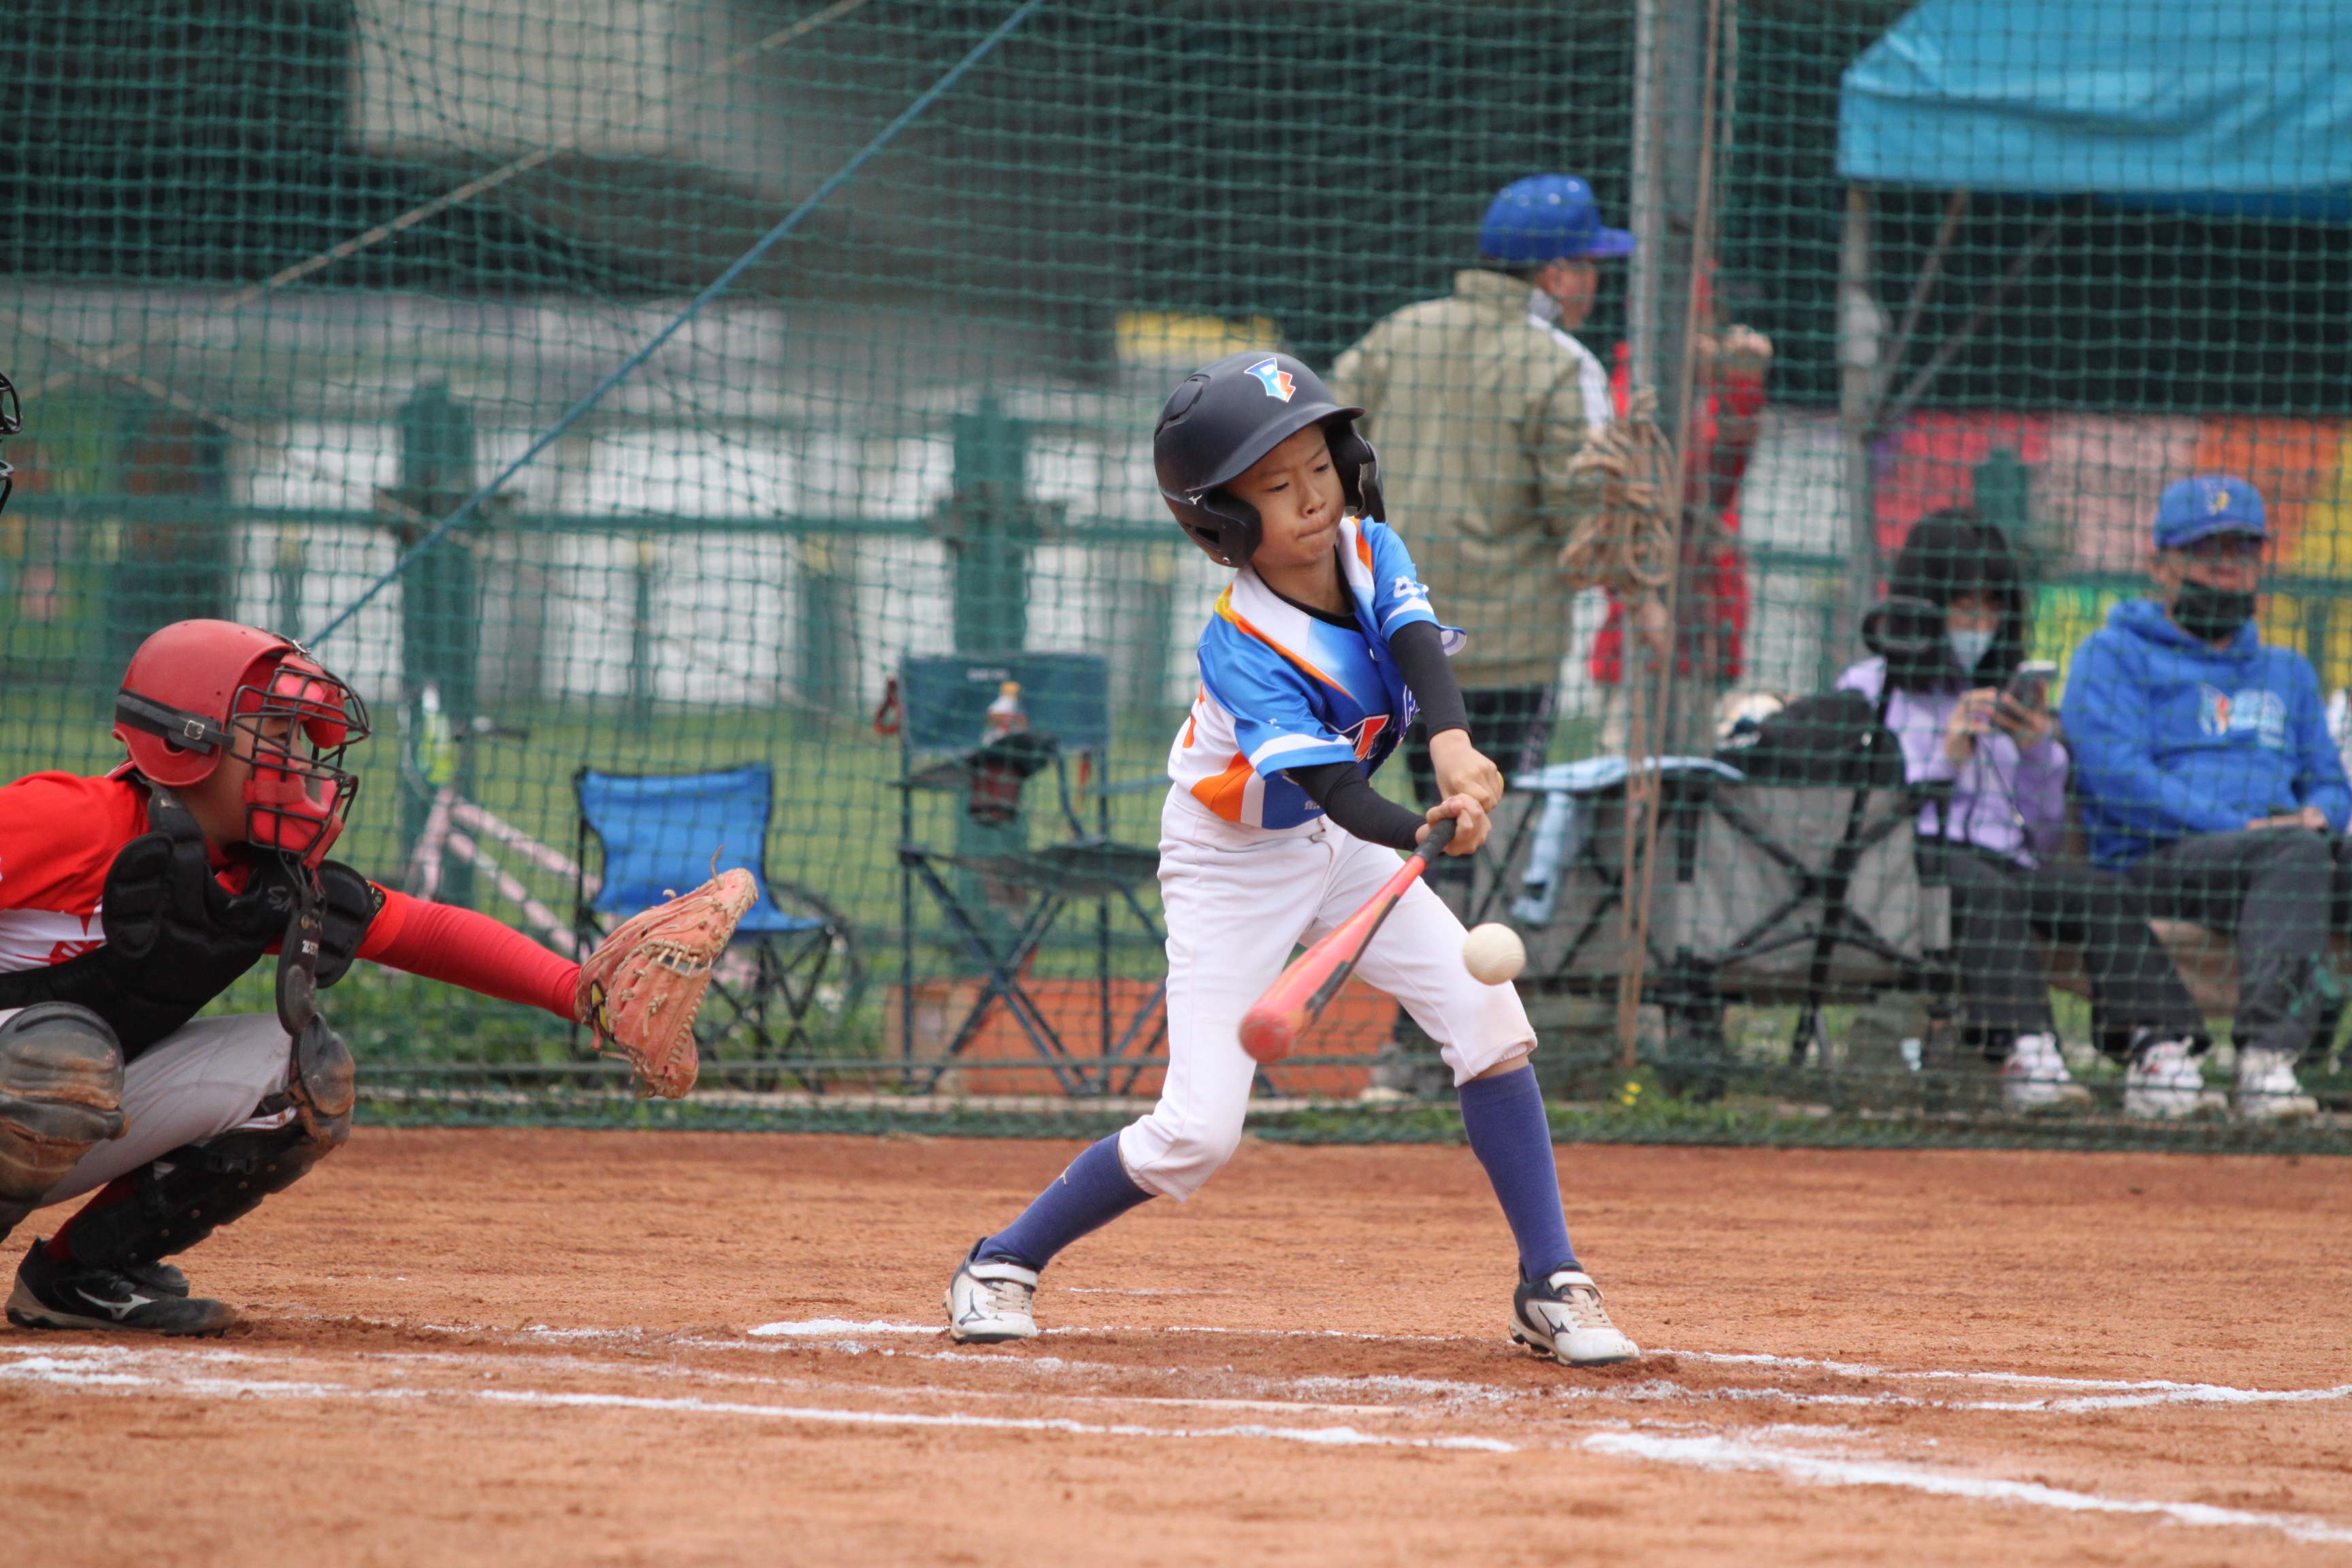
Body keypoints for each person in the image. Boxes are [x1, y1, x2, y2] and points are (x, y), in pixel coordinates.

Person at [941, 352, 1638, 1367]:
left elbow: (1416, 645)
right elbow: (1337, 792)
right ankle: (1000, 1260)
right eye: (1275, 486)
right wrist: (1421, 828)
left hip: (1342, 846)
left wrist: (1453, 750)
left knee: (1488, 1019)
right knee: (1198, 1134)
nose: (1312, 499)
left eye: (1319, 466)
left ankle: (1551, 1281)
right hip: (1233, 860)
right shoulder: (1242, 644)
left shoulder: (1368, 546)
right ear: (1220, 521)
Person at [1837, 510, 2204, 1113]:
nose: (1978, 626)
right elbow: (1859, 809)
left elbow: (2042, 833)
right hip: (1908, 868)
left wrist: (2037, 752)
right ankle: (2026, 1052)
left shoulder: (2003, 694)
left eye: (1991, 609)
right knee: (1985, 887)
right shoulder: (1870, 688)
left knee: (2099, 893)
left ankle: (2157, 1052)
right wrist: (1945, 757)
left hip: (2003, 868)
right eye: (1962, 609)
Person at [1327, 173, 1630, 829]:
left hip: (1400, 637)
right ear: (1558, 274)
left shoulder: (1401, 330)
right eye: (1592, 266)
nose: (1597, 283)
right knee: (1497, 831)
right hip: (1511, 654)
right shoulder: (1563, 362)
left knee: (1431, 819)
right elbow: (1583, 519)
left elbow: (1322, 438)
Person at [2062, 476, 2349, 1121]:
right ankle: (2265, 1062)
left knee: (2305, 852)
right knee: (2293, 854)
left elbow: (2330, 781)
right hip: (2158, 863)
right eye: (2205, 551)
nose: (2226, 567)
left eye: (2242, 551)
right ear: (2159, 565)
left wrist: (2322, 814)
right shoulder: (2111, 655)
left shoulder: (2288, 671)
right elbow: (2119, 780)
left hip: (2280, 858)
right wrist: (2242, 828)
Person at [1588, 267, 1773, 753]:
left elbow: (1718, 486)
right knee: (1628, 770)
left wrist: (1740, 386)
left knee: (1697, 771)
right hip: (1641, 636)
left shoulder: (1709, 384)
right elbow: (1672, 491)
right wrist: (1721, 379)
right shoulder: (1631, 386)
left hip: (1705, 626)